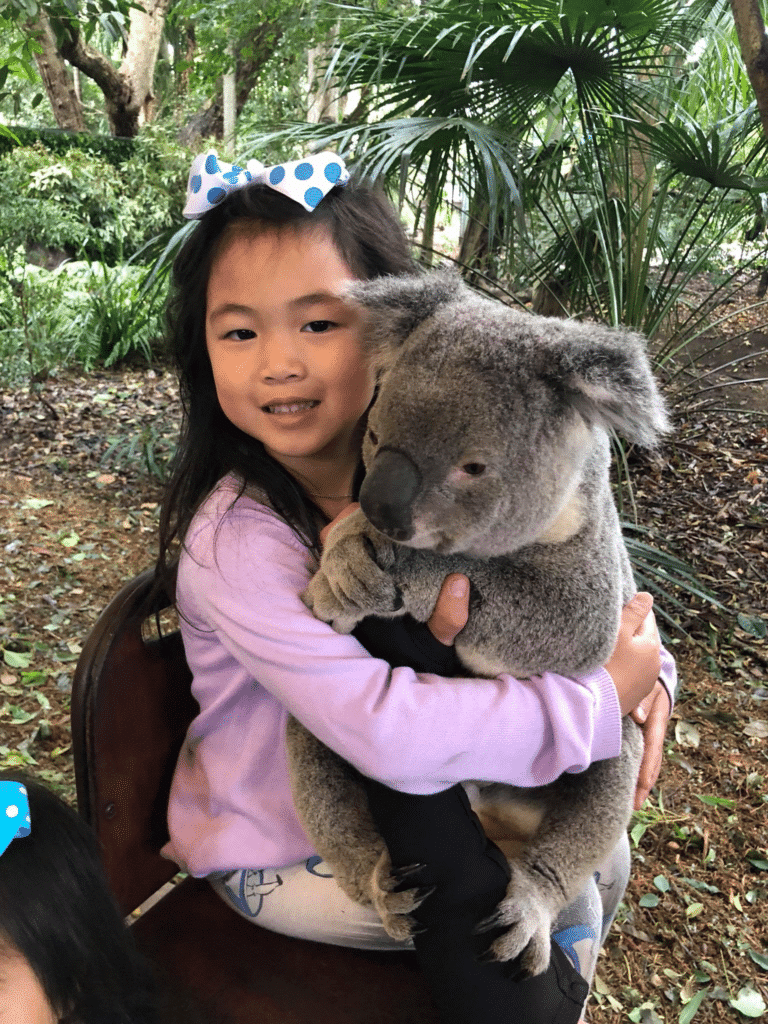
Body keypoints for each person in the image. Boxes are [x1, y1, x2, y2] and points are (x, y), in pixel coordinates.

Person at [155, 151, 675, 1024]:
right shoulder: (234, 544)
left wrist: (648, 677)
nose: (279, 363)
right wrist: (594, 707)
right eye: (238, 332)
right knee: (551, 919)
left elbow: (607, 590)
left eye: (319, 324)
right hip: (286, 844)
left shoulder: (478, 458)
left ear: (394, 331)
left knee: (600, 859)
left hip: (448, 799)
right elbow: (382, 732)